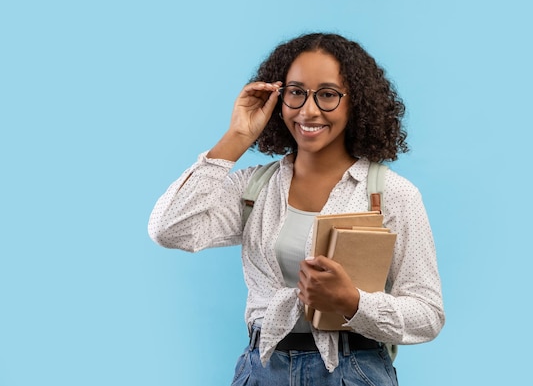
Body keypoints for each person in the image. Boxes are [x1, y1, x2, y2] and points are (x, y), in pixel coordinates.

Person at [148, 33, 444, 385]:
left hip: (353, 371)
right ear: (278, 97)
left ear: (357, 103)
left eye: (328, 95)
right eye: (296, 92)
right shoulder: (253, 189)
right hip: (262, 369)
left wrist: (352, 302)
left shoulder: (392, 195)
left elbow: (428, 315)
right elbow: (169, 229)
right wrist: (238, 137)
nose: (308, 110)